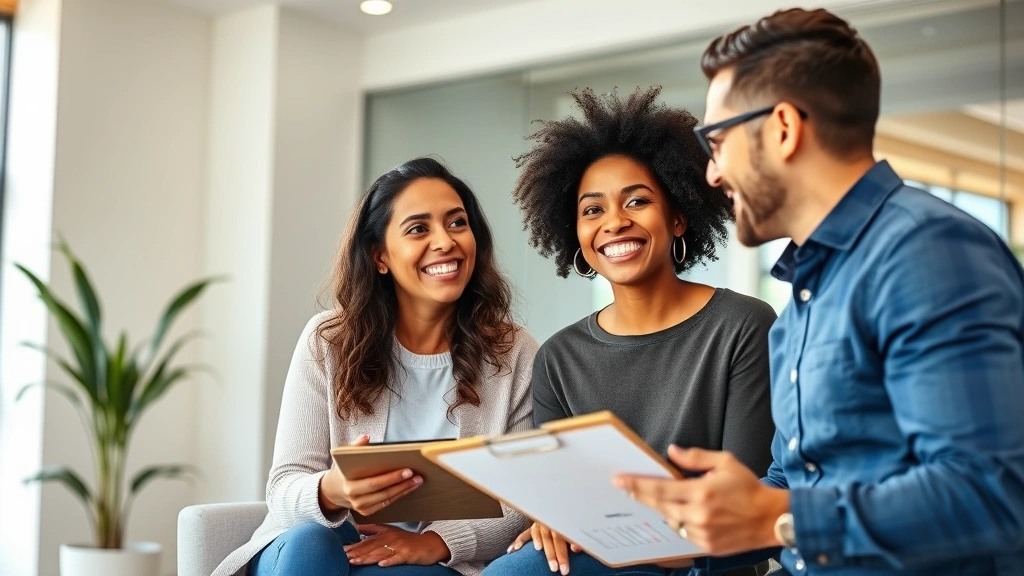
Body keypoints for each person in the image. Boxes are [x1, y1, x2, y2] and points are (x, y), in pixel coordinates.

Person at [614, 8, 1024, 576]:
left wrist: (778, 518)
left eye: (718, 140)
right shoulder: (804, 295)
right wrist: (694, 522)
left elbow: (988, 493)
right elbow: (796, 481)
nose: (711, 174)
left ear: (783, 128)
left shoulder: (928, 251)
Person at [482, 87, 777, 576]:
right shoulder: (558, 358)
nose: (614, 223)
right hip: (599, 557)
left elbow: (746, 507)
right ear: (573, 233)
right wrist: (553, 522)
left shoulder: (742, 326)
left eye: (637, 201)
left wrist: (596, 530)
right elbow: (559, 502)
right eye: (592, 210)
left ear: (678, 215)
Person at [212, 157, 538, 576]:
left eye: (457, 223)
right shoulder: (328, 340)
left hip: (424, 562)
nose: (446, 241)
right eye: (419, 228)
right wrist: (333, 491)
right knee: (310, 547)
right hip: (317, 545)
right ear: (379, 255)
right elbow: (285, 485)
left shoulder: (514, 353)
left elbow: (521, 501)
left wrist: (433, 542)